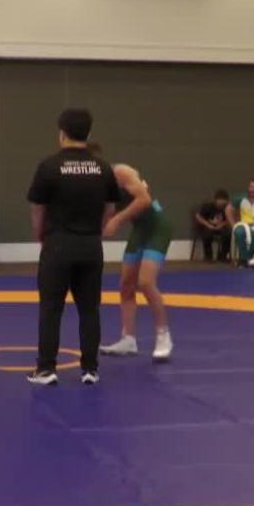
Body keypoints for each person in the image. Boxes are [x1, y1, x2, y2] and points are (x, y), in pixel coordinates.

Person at [26, 109, 120, 386]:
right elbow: (110, 208)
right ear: (89, 133)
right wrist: (96, 231)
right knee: (90, 309)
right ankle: (90, 369)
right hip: (90, 245)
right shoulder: (103, 167)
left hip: (58, 244)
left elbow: (37, 208)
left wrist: (41, 235)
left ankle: (46, 369)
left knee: (51, 308)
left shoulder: (49, 166)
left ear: (62, 133)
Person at [98, 148, 174, 362]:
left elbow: (144, 200)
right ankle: (128, 339)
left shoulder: (121, 172)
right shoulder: (98, 185)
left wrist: (116, 221)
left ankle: (163, 335)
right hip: (140, 230)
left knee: (146, 282)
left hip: (157, 228)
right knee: (126, 285)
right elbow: (108, 212)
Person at [193, 190, 230, 263]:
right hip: (208, 226)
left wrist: (222, 225)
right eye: (219, 203)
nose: (221, 206)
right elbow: (198, 216)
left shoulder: (228, 207)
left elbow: (230, 219)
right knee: (207, 235)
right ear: (215, 200)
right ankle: (208, 257)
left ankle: (223, 255)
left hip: (221, 227)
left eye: (223, 204)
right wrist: (208, 225)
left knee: (228, 234)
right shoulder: (208, 206)